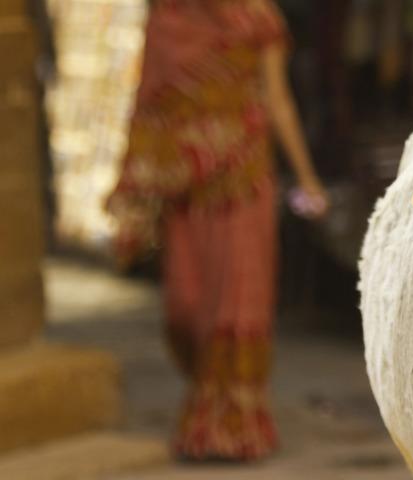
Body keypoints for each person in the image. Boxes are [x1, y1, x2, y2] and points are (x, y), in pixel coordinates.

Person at [107, 0, 328, 461]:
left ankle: (234, 425)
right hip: (187, 189)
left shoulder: (258, 18)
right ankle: (209, 408)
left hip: (243, 182)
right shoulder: (169, 17)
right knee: (187, 307)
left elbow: (277, 100)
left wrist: (307, 178)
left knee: (238, 302)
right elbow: (150, 98)